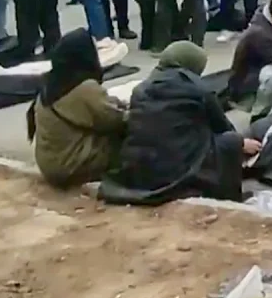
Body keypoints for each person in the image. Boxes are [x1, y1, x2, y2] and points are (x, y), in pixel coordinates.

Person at [103, 41, 260, 204]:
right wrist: (242, 143)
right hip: (176, 171)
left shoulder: (140, 89)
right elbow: (222, 127)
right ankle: (229, 197)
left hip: (139, 170)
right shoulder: (197, 89)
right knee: (230, 142)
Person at [27, 29, 127, 189]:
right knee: (134, 140)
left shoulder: (51, 84)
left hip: (49, 165)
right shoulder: (85, 87)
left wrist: (117, 103)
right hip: (70, 166)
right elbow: (114, 120)